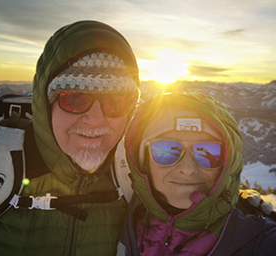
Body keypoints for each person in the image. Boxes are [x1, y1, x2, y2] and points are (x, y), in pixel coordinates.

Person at [0, 20, 140, 255]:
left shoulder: (137, 173)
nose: (95, 119)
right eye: (75, 98)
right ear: (45, 103)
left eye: (116, 101)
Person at [118, 92, 276, 255]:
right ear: (143, 162)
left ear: (227, 164)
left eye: (208, 152)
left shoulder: (263, 242)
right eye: (165, 150)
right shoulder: (120, 216)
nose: (187, 169)